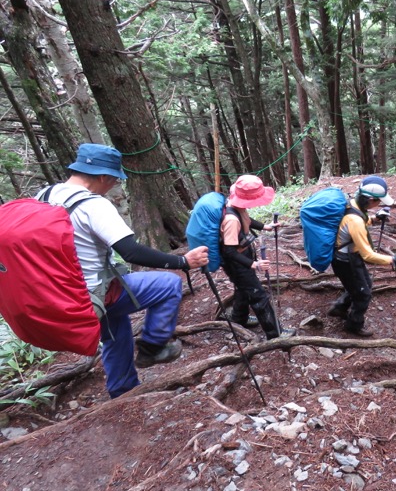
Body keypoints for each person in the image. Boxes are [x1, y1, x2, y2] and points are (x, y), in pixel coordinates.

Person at [37, 143, 209, 398]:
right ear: (105, 176)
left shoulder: (43, 196)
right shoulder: (93, 204)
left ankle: (122, 389)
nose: (113, 186)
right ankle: (152, 348)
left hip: (57, 293)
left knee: (116, 330)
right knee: (168, 285)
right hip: (92, 294)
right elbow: (130, 251)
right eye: (114, 181)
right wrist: (183, 262)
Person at [326, 175, 396, 337]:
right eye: (379, 201)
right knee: (364, 294)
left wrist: (376, 218)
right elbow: (368, 255)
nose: (380, 204)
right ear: (370, 200)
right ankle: (353, 324)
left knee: (364, 284)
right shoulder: (355, 220)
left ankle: (340, 307)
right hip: (346, 262)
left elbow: (359, 220)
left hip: (348, 258)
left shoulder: (352, 204)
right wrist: (394, 259)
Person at [219, 174, 294, 338]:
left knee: (243, 288)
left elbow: (246, 218)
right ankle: (276, 334)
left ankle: (239, 319)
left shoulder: (235, 204)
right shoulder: (231, 220)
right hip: (236, 261)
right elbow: (229, 252)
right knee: (258, 294)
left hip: (242, 255)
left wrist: (265, 226)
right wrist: (253, 264)